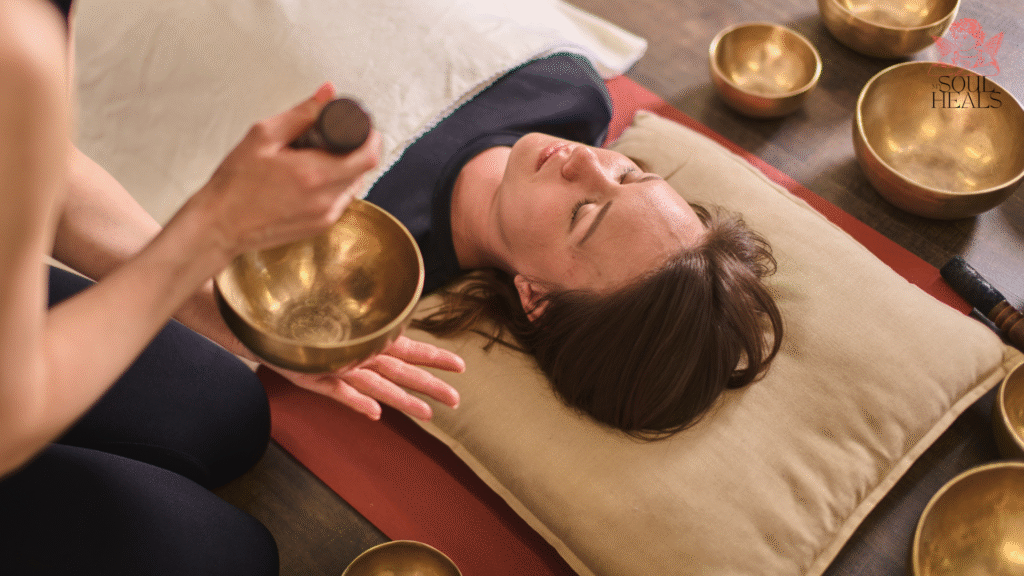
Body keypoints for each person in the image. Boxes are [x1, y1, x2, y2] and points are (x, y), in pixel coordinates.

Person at [0, 1, 462, 574]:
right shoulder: (17, 44)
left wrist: (220, 310)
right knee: (230, 559)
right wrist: (213, 230)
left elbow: (31, 166)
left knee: (223, 409)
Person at [366, 52, 784, 438]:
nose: (587, 160)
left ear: (539, 299)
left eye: (582, 213)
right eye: (628, 177)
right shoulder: (567, 92)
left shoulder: (364, 255)